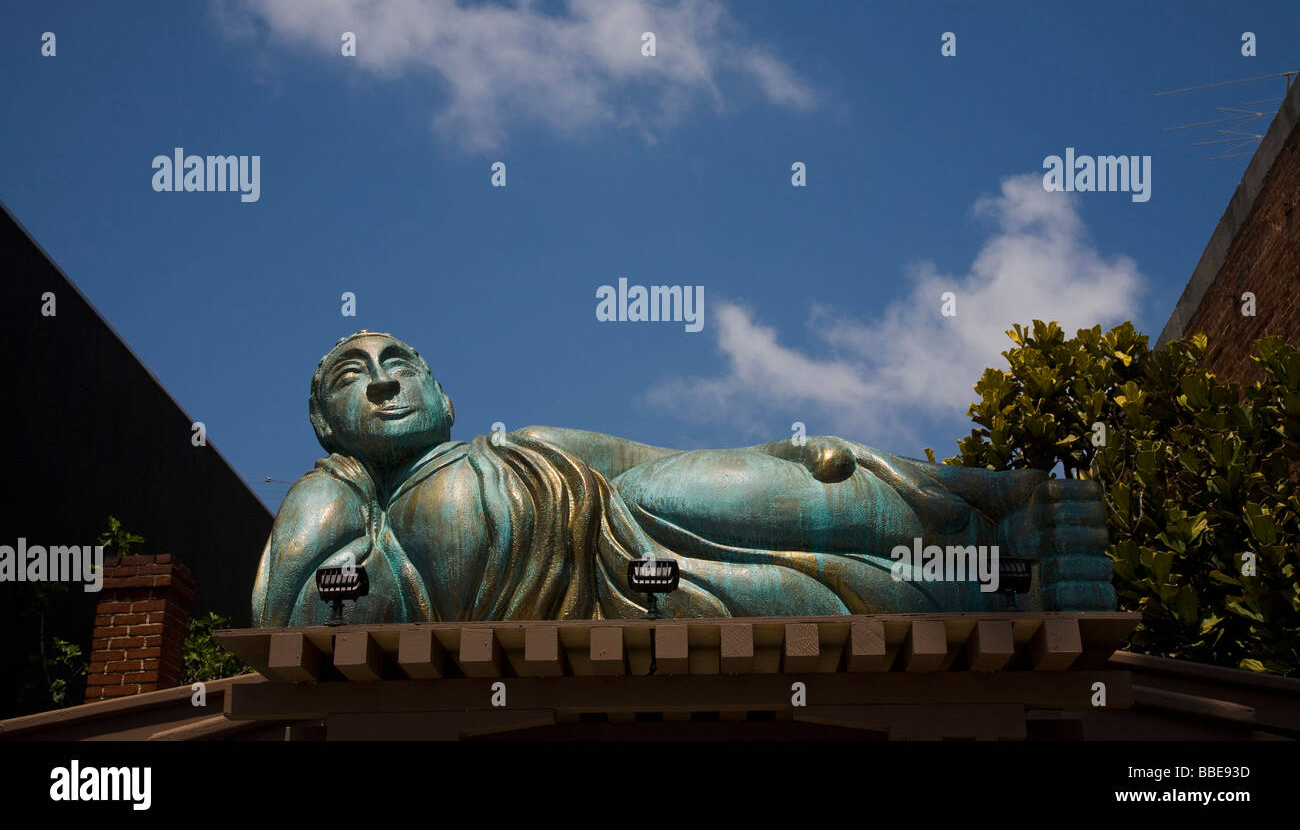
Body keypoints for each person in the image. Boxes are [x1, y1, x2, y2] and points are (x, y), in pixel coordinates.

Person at [251, 330, 1114, 626]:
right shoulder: (343, 501)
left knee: (683, 493)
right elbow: (302, 610)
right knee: (821, 587)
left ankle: (993, 517)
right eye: (351, 377)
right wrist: (339, 486)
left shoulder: (524, 447)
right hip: (632, 593)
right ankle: (998, 584)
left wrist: (786, 456)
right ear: (329, 422)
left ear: (442, 392)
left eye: (400, 362)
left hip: (627, 527)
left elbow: (657, 461)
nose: (384, 379)